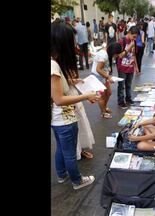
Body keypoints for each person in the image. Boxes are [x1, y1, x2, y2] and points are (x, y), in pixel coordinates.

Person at [51, 19, 99, 189]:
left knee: (61, 150)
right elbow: (59, 99)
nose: (74, 43)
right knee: (70, 153)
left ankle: (62, 175)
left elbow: (60, 86)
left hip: (57, 120)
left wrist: (75, 81)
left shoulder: (54, 63)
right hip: (65, 118)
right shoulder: (53, 65)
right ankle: (77, 181)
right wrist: (85, 96)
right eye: (71, 40)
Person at [91, 43, 123, 119]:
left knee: (108, 93)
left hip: (103, 75)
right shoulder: (104, 55)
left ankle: (104, 108)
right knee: (102, 96)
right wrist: (108, 77)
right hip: (98, 76)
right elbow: (98, 69)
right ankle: (103, 113)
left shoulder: (108, 53)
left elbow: (104, 67)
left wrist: (107, 75)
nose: (116, 56)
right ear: (113, 52)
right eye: (116, 54)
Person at [116, 26, 139, 109]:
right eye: (134, 36)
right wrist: (130, 47)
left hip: (130, 66)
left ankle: (128, 98)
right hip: (122, 67)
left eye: (136, 37)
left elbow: (134, 55)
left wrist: (136, 67)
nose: (135, 39)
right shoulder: (122, 41)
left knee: (129, 84)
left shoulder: (134, 42)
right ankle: (121, 101)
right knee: (121, 85)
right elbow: (120, 55)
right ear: (129, 33)